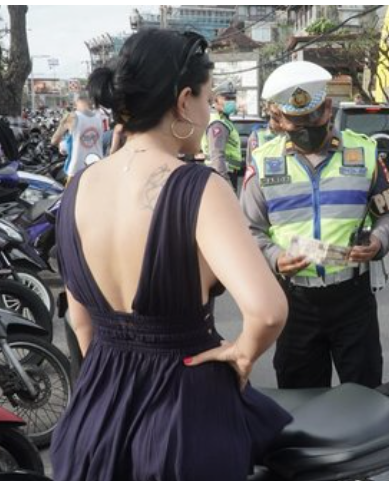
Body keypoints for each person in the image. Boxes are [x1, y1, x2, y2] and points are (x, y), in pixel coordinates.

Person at [49, 29, 291, 481]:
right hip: (183, 421)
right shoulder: (199, 187)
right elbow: (268, 311)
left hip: (93, 420)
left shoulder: (78, 187)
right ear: (183, 102)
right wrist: (242, 355)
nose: (208, 111)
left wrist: (114, 373)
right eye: (208, 98)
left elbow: (80, 321)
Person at [242, 61, 389, 389]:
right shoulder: (263, 163)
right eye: (295, 121)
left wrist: (377, 242)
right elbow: (249, 230)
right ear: (279, 118)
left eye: (313, 117)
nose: (306, 127)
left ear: (328, 108)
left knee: (364, 397)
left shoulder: (365, 153)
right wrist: (274, 257)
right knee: (302, 401)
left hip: (353, 299)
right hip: (293, 300)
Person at [51, 92, 107, 179]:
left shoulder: (71, 117)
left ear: (75, 102)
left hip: (76, 170)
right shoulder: (99, 117)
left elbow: (54, 140)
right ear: (90, 101)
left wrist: (61, 145)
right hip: (97, 167)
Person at [201, 81, 243, 189]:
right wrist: (226, 185)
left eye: (233, 98)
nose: (231, 102)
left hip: (226, 173)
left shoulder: (225, 121)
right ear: (215, 100)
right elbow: (217, 157)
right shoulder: (218, 124)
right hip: (222, 174)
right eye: (227, 98)